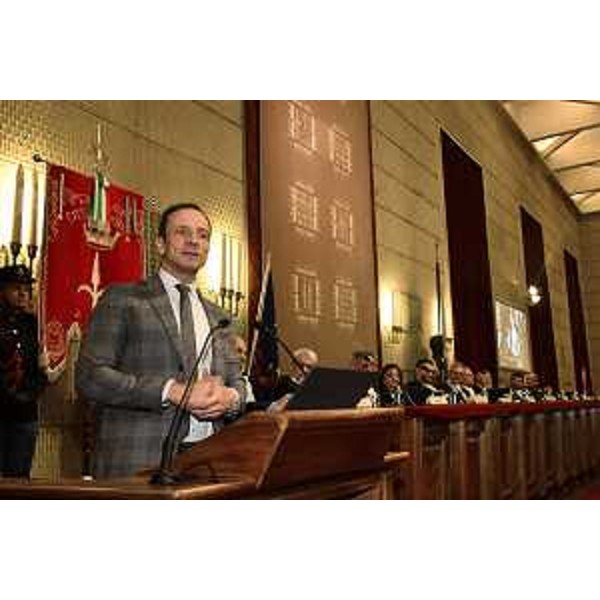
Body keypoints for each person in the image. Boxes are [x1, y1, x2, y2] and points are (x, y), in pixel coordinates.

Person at [76, 203, 246, 479]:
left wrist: (232, 397)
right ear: (160, 244)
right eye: (182, 232)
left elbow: (236, 381)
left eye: (202, 235)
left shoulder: (221, 317)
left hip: (208, 464)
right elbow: (90, 377)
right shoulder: (122, 299)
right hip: (138, 459)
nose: (194, 241)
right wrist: (170, 391)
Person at [0, 265, 47, 478]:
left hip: (25, 413)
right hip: (2, 408)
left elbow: (42, 367)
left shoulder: (34, 325)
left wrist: (32, 392)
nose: (22, 294)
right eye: (16, 288)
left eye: (26, 289)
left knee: (19, 478)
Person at [267, 347, 319, 412]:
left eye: (309, 367)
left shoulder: (316, 386)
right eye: (300, 365)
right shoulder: (282, 382)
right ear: (292, 365)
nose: (305, 370)